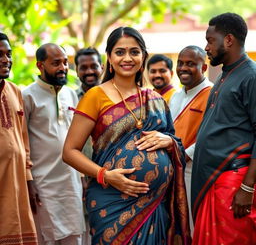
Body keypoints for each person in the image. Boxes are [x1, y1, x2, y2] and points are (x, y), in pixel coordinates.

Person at [63, 27, 191, 244]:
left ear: (143, 57)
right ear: (110, 58)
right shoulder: (96, 96)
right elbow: (69, 151)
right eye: (120, 52)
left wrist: (169, 141)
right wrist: (106, 175)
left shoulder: (155, 99)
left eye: (134, 52)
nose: (127, 58)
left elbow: (175, 143)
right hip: (111, 202)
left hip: (154, 205)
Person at [191, 13, 256, 245]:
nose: (206, 47)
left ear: (228, 40)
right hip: (215, 182)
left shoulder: (251, 75)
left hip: (233, 182)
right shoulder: (224, 75)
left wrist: (247, 188)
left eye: (210, 40)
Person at [22, 43, 85, 245]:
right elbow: (22, 140)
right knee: (47, 237)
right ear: (40, 66)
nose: (63, 68)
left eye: (65, 62)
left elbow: (77, 139)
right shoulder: (27, 96)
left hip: (71, 181)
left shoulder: (71, 94)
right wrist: (28, 180)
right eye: (55, 63)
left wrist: (82, 175)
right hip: (43, 182)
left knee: (75, 235)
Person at [169, 45, 212, 234]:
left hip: (193, 170)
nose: (183, 68)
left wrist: (183, 156)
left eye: (190, 64)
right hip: (172, 167)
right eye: (180, 63)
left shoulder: (212, 93)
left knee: (194, 225)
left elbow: (210, 134)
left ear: (203, 68)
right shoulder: (176, 95)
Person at [0, 32, 38, 244]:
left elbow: (23, 139)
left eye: (8, 54)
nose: (6, 60)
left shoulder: (15, 91)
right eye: (0, 55)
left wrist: (29, 179)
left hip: (16, 181)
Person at [74, 47, 103, 244]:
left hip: (108, 178)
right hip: (75, 179)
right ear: (76, 70)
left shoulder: (113, 97)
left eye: (93, 66)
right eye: (83, 67)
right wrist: (81, 175)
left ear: (102, 66)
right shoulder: (69, 99)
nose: (89, 71)